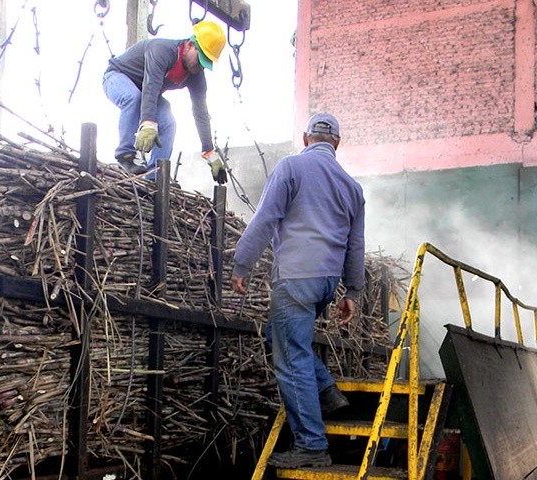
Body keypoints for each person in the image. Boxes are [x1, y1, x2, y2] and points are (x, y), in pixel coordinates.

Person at [230, 112, 365, 469]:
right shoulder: (353, 188)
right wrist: (352, 291)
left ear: (306, 139)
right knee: (283, 336)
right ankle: (324, 390)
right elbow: (356, 245)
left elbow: (265, 218)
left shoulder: (290, 167)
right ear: (336, 143)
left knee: (290, 359)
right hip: (326, 283)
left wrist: (242, 262)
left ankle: (311, 446)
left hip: (296, 277)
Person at [103, 20, 228, 183]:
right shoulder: (163, 50)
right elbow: (151, 85)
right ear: (190, 45)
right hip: (117, 77)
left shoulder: (196, 76)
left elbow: (201, 112)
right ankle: (125, 156)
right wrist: (148, 122)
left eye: (206, 62)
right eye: (200, 59)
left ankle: (155, 174)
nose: (201, 66)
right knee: (133, 97)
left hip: (145, 91)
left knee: (168, 122)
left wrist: (209, 152)